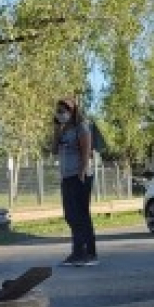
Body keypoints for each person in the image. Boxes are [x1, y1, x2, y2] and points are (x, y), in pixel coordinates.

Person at [55, 97, 98, 266]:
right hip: (66, 176)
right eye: (57, 112)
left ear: (72, 111)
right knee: (70, 215)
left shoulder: (82, 127)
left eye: (62, 111)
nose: (59, 114)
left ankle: (87, 252)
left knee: (81, 215)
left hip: (80, 176)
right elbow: (53, 149)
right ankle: (79, 251)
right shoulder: (64, 130)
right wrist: (56, 130)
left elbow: (86, 150)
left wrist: (81, 172)